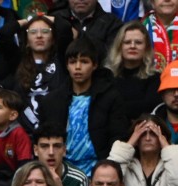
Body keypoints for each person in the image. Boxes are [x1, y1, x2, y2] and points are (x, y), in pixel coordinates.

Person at [37, 36, 128, 176]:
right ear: (67, 65)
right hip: (60, 170)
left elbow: (117, 136)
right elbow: (44, 137)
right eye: (73, 62)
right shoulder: (52, 100)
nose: (77, 67)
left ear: (95, 65)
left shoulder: (110, 97)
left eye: (84, 62)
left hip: (99, 169)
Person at [109, 115, 178, 186]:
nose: (148, 138)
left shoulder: (172, 161)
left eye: (153, 134)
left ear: (162, 137)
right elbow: (108, 180)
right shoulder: (126, 164)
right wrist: (130, 143)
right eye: (142, 134)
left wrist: (166, 146)